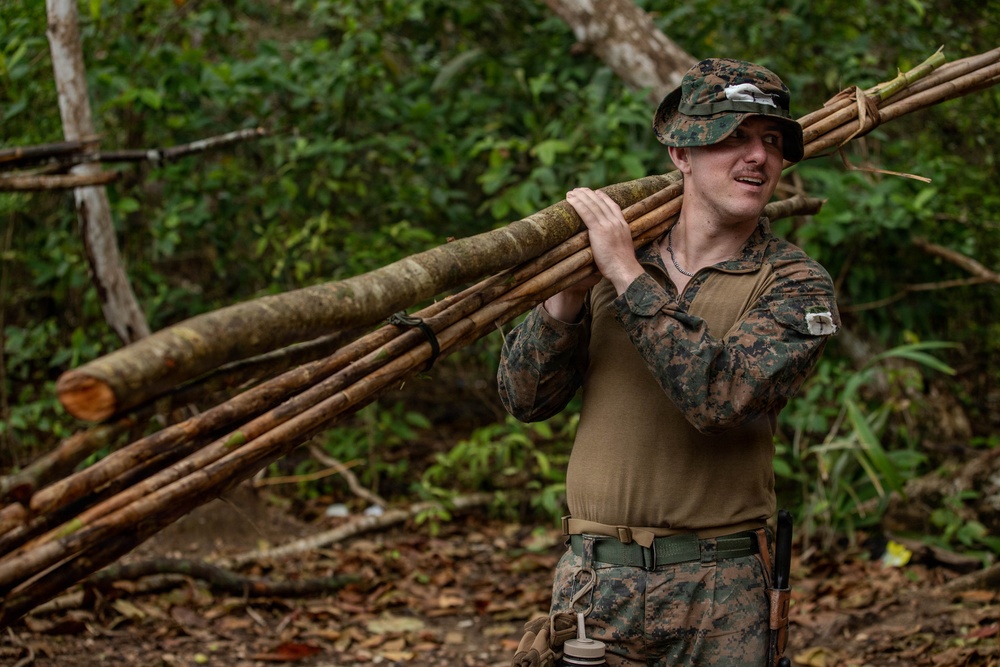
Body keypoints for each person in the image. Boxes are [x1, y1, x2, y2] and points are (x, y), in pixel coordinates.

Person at [498, 58, 839, 666]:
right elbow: (526, 400)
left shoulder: (794, 284)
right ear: (682, 152)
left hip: (722, 592)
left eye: (771, 141)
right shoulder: (611, 265)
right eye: (733, 137)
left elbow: (720, 398)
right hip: (594, 586)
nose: (757, 156)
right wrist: (567, 298)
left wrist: (626, 275)